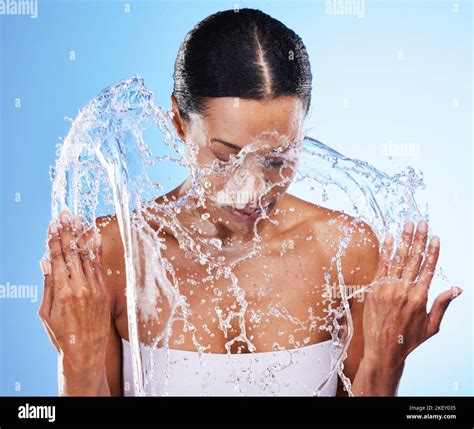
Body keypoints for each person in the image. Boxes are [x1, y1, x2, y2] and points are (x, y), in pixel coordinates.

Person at [38, 8, 462, 396]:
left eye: (278, 160)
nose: (251, 189)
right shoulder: (116, 253)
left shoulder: (344, 250)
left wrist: (387, 361)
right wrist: (78, 353)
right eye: (225, 157)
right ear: (179, 124)